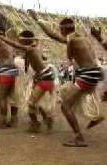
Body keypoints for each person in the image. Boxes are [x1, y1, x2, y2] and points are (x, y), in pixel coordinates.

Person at [29, 9, 104, 147]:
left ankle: (79, 137)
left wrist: (38, 20)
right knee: (67, 93)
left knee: (65, 106)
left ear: (64, 29)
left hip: (87, 74)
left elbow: (53, 35)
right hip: (93, 72)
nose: (60, 32)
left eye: (60, 29)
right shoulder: (82, 38)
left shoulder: (72, 39)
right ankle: (95, 116)